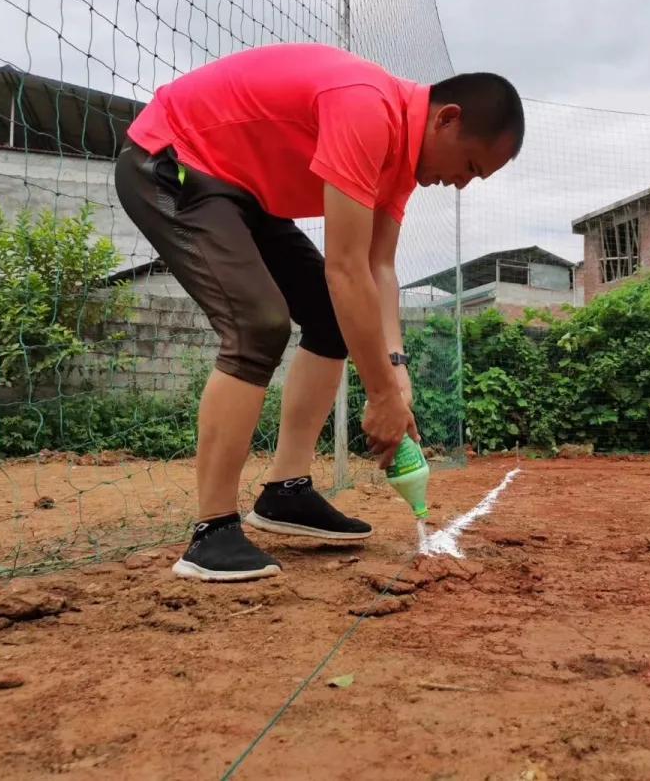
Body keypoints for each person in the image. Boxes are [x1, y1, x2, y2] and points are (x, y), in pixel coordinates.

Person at [115, 43, 524, 581]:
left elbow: (380, 270)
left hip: (245, 193)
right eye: (469, 167)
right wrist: (378, 398)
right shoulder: (367, 107)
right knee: (257, 325)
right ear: (447, 119)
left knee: (331, 320)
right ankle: (211, 532)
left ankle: (285, 492)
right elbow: (345, 269)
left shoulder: (400, 162)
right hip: (172, 163)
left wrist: (396, 372)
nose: (461, 184)